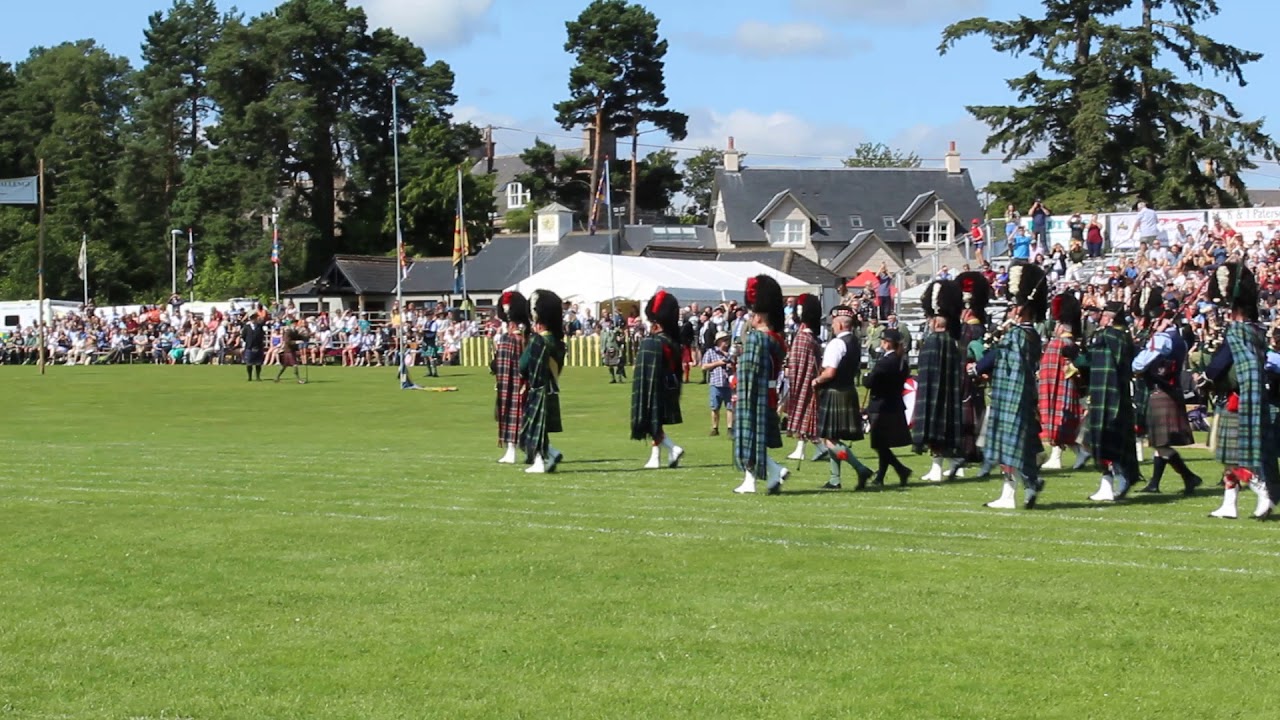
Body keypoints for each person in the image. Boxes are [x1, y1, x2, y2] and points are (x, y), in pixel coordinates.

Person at [1205, 263, 1276, 519]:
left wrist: (1205, 373)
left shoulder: (1236, 332)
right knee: (1229, 458)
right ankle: (1229, 504)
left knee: (1236, 458)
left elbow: (1218, 365)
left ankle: (1263, 492)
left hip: (1237, 400)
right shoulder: (1255, 332)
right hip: (1243, 397)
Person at [976, 261, 1048, 509]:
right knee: (1017, 445)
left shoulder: (1021, 334)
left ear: (1023, 309)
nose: (1010, 310)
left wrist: (981, 366)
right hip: (1014, 394)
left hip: (1013, 394)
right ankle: (1029, 485)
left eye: (1014, 306)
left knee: (1011, 446)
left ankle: (1015, 493)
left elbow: (1002, 358)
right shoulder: (1020, 333)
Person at [1132, 288, 1203, 494]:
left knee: (1161, 443)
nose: (1153, 324)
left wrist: (1136, 356)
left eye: (1156, 321)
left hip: (1161, 390)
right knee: (1158, 443)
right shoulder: (1175, 338)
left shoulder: (1163, 338)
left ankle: (1189, 476)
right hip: (1166, 390)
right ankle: (1155, 483)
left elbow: (1140, 365)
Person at [1078, 300, 1141, 502]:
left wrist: (1078, 354)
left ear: (1111, 318)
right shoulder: (1121, 337)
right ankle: (1116, 480)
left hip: (1107, 395)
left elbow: (1092, 358)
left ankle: (1117, 480)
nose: (1101, 317)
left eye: (1104, 314)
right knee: (1111, 440)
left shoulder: (1108, 335)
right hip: (1112, 395)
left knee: (1107, 440)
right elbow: (1093, 360)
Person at [733, 275, 790, 495]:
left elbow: (747, 370)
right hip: (769, 391)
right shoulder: (776, 338)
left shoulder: (758, 339)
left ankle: (770, 472)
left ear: (757, 315)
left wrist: (738, 389)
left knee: (750, 435)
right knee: (755, 436)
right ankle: (762, 476)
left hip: (754, 392)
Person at [813, 306, 875, 490]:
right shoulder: (854, 342)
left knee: (830, 440)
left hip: (835, 392)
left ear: (839, 324)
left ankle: (861, 468)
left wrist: (817, 380)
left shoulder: (836, 343)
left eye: (833, 323)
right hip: (849, 390)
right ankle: (834, 479)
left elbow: (830, 372)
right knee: (834, 438)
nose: (832, 326)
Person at [913, 280, 966, 482]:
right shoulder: (951, 344)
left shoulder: (934, 342)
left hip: (935, 399)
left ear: (935, 321)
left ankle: (937, 466)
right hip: (948, 397)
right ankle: (954, 460)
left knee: (936, 420)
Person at [630, 291, 686, 470]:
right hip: (670, 387)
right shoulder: (673, 341)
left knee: (650, 418)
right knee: (656, 421)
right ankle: (656, 457)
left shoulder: (652, 342)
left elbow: (644, 374)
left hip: (656, 387)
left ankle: (672, 447)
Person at [1038, 293, 1090, 470]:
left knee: (1060, 418)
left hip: (1061, 384)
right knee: (1058, 419)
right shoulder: (1062, 343)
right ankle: (1072, 454)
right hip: (1054, 384)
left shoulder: (1064, 344)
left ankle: (1062, 455)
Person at [520, 290, 567, 474]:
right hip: (552, 388)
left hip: (538, 388)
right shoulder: (557, 342)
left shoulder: (539, 341)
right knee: (541, 427)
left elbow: (523, 366)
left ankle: (540, 461)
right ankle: (552, 454)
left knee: (533, 427)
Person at [864, 329, 913, 487]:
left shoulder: (885, 362)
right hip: (894, 404)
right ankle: (883, 476)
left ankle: (900, 469)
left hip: (881, 405)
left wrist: (866, 378)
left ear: (886, 343)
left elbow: (871, 382)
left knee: (879, 443)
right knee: (882, 444)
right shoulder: (901, 362)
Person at [956, 272, 992, 468]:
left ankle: (972, 450)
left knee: (971, 414)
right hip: (964, 376)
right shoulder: (967, 328)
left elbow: (978, 353)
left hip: (970, 377)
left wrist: (977, 368)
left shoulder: (974, 329)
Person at [783, 294, 823, 461]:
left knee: (804, 409)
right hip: (802, 378)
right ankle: (817, 447)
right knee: (805, 410)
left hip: (803, 380)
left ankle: (805, 448)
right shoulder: (807, 336)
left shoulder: (805, 338)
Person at [494, 291, 529, 465]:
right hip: (504, 380)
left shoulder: (521, 335)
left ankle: (515, 450)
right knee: (506, 413)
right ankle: (511, 449)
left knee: (518, 416)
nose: (507, 312)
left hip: (517, 381)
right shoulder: (507, 334)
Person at [701, 331, 734, 436]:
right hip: (715, 383)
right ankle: (715, 428)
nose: (727, 343)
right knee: (715, 407)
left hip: (729, 384)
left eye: (727, 340)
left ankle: (730, 428)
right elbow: (704, 366)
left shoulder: (731, 353)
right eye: (724, 340)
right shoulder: (711, 352)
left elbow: (737, 365)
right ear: (719, 342)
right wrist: (718, 363)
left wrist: (732, 366)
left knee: (730, 407)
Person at [273, 319, 308, 384]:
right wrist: (296, 342)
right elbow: (287, 341)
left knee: (284, 366)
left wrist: (305, 335)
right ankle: (299, 379)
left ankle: (276, 377)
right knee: (295, 365)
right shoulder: (288, 332)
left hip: (292, 350)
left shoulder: (295, 331)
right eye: (294, 324)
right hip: (288, 350)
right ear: (291, 324)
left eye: (296, 324)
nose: (295, 325)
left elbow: (300, 337)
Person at [241, 314, 266, 381]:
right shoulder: (247, 327)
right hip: (249, 347)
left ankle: (258, 377)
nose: (254, 320)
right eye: (253, 318)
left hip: (258, 346)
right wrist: (249, 342)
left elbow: (262, 335)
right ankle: (250, 377)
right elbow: (243, 336)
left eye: (255, 318)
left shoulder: (259, 326)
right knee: (249, 363)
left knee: (258, 363)